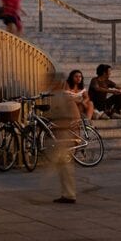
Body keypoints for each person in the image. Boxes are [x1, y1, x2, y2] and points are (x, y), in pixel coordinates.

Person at [47, 72, 78, 204]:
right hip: (59, 133)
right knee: (63, 165)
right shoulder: (55, 96)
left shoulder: (64, 96)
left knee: (64, 165)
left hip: (63, 134)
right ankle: (67, 193)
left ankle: (69, 194)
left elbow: (75, 116)